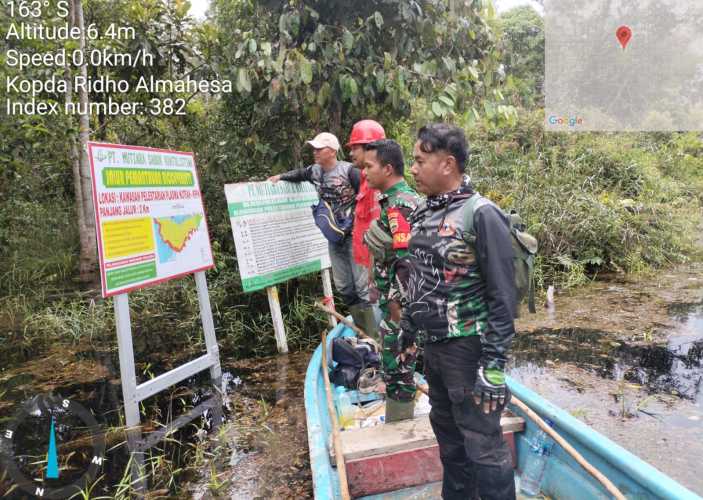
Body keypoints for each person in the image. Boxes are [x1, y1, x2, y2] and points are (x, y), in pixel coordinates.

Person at [399, 124, 517, 499]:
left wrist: (494, 367)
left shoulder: (481, 215)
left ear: (447, 164)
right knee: (450, 443)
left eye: (420, 161)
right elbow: (417, 279)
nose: (413, 169)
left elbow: (503, 298)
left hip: (469, 350)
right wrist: (407, 330)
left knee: (484, 446)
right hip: (434, 352)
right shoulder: (422, 213)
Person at [268, 132, 375, 330]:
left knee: (362, 288)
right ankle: (361, 331)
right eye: (314, 148)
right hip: (334, 238)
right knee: (344, 286)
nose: (315, 152)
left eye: (319, 149)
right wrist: (280, 177)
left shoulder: (350, 171)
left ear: (332, 151)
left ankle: (374, 335)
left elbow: (367, 197)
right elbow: (300, 174)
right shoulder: (315, 171)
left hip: (354, 237)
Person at [361, 139, 422, 422]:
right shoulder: (400, 200)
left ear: (387, 169)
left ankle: (400, 427)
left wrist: (397, 317)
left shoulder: (399, 206)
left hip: (400, 306)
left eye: (369, 166)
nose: (364, 172)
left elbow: (405, 263)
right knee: (398, 366)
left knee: (396, 369)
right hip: (395, 303)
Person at [346, 120, 385, 270]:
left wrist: (372, 267)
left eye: (355, 148)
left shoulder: (378, 184)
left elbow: (378, 232)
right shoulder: (364, 178)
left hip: (373, 265)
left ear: (370, 148)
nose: (351, 153)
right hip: (364, 261)